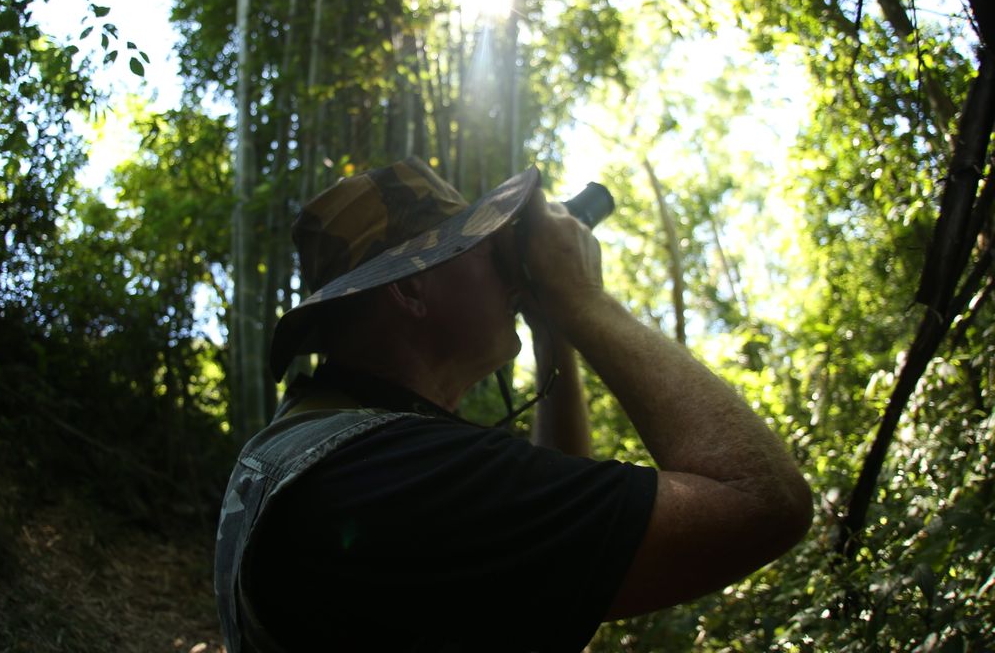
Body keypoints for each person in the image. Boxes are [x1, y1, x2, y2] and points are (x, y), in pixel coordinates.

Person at [214, 157, 812, 652]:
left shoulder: (327, 449)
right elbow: (762, 502)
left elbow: (559, 558)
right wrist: (581, 298)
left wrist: (554, 334)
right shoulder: (400, 475)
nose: (512, 276)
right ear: (410, 285)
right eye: (484, 249)